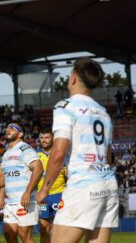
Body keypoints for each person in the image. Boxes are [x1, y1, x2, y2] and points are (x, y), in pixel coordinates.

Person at [36, 58, 118, 243]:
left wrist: (44, 189)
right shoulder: (103, 112)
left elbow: (57, 153)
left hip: (83, 184)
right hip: (108, 184)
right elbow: (109, 156)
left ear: (73, 78)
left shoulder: (66, 107)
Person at [0, 123, 42, 243]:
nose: (8, 129)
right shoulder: (6, 153)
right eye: (7, 128)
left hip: (24, 200)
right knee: (9, 234)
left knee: (24, 236)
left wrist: (27, 193)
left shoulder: (24, 148)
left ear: (20, 134)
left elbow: (39, 169)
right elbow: (5, 176)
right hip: (10, 202)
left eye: (12, 128)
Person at [35, 131, 67, 243]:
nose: (44, 140)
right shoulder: (35, 155)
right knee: (44, 229)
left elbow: (68, 176)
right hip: (43, 198)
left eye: (47, 137)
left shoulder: (60, 155)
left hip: (59, 195)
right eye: (42, 137)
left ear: (52, 138)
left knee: (60, 229)